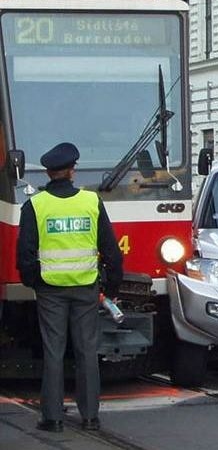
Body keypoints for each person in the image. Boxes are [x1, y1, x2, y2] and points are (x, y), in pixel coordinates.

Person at [16, 142, 123, 433]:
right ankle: (90, 417)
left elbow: (24, 253)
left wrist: (33, 281)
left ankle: (53, 418)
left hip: (50, 289)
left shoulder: (35, 205)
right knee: (87, 350)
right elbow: (111, 250)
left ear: (49, 173)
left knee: (54, 350)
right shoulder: (90, 202)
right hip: (86, 287)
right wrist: (112, 286)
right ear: (72, 171)